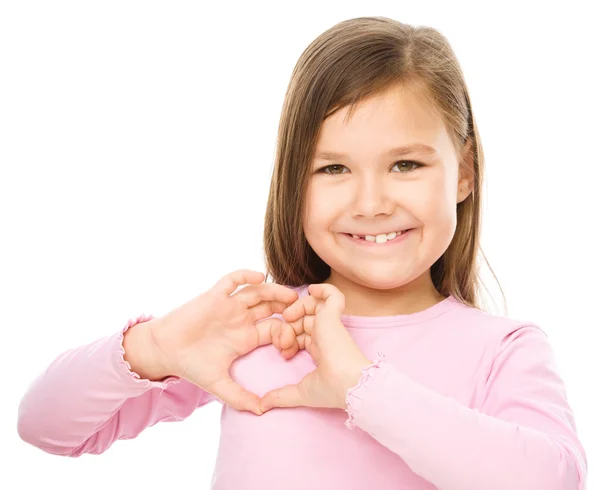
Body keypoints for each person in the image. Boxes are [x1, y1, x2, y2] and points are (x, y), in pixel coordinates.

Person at [17, 16, 587, 490]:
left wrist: (361, 387)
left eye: (406, 165)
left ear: (463, 173)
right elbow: (45, 426)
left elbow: (553, 480)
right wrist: (157, 344)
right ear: (294, 181)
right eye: (333, 168)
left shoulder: (503, 350)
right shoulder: (258, 331)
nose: (371, 202)